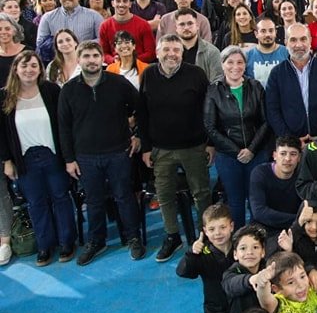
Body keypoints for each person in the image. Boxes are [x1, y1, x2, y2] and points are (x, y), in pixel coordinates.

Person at [58, 40, 143, 264]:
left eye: (95, 56)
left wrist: (138, 135)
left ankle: (133, 237)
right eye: (86, 56)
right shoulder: (68, 90)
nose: (92, 60)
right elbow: (63, 127)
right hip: (85, 157)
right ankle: (97, 241)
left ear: (102, 58)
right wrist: (69, 159)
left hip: (119, 153)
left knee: (124, 197)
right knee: (94, 201)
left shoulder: (118, 83)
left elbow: (141, 108)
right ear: (79, 60)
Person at [139, 34, 213, 263]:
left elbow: (209, 110)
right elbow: (142, 113)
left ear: (182, 53)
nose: (171, 54)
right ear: (157, 52)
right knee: (164, 194)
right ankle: (172, 236)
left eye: (176, 50)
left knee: (201, 193)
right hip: (161, 149)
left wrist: (210, 143)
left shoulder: (196, 74)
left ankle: (206, 236)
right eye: (166, 49)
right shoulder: (148, 75)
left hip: (194, 147)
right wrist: (146, 147)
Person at [0, 51, 77, 266]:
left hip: (53, 156)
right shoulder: (5, 96)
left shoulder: (51, 91)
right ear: (16, 69)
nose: (29, 70)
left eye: (34, 66)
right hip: (25, 160)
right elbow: (2, 134)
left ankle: (67, 242)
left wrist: (68, 157)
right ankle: (44, 246)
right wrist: (7, 161)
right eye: (24, 66)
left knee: (61, 197)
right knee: (36, 203)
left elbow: (64, 125)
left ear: (40, 69)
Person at [204, 46, 272, 227]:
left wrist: (251, 149)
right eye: (230, 62)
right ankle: (239, 236)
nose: (235, 67)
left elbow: (266, 122)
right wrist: (236, 152)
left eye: (240, 62)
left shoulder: (256, 86)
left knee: (257, 199)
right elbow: (210, 127)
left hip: (256, 153)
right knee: (235, 200)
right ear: (222, 64)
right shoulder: (213, 90)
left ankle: (258, 235)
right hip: (228, 156)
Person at [176, 203, 235, 313]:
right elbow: (182, 272)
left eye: (222, 227)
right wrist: (191, 253)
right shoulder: (202, 253)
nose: (218, 233)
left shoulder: (241, 248)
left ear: (231, 226)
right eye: (212, 229)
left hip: (242, 308)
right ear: (205, 231)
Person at [266, 23, 317, 147]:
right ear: (286, 42)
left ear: (310, 41)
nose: (299, 45)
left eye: (303, 39)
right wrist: (289, 139)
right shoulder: (277, 73)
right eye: (293, 40)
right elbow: (272, 110)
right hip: (291, 145)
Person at [36, 0, 104, 63]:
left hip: (87, 62)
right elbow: (40, 42)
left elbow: (102, 39)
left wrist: (82, 46)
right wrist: (63, 46)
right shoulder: (47, 18)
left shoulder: (94, 16)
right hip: (58, 62)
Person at [97, 0, 155, 64]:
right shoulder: (105, 26)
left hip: (139, 66)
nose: (121, 4)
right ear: (112, 3)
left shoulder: (143, 25)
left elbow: (151, 53)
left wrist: (130, 61)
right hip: (114, 67)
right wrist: (113, 60)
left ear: (130, 4)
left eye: (125, 1)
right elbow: (103, 53)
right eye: (118, 1)